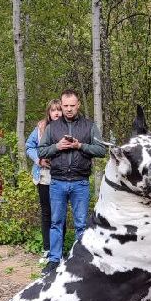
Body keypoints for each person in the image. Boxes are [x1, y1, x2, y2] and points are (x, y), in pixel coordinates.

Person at [37, 89, 106, 272]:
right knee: (56, 222)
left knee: (81, 224)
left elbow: (101, 150)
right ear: (62, 105)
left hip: (80, 182)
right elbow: (41, 151)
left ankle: (79, 260)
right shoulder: (52, 127)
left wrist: (80, 145)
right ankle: (54, 260)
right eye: (65, 106)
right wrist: (57, 146)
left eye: (72, 106)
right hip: (57, 181)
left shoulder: (89, 126)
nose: (68, 109)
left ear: (78, 105)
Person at [26, 99, 64, 259]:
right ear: (48, 112)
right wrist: (39, 160)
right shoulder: (41, 127)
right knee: (47, 212)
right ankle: (47, 249)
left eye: (59, 110)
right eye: (53, 110)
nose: (56, 113)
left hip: (62, 175)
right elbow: (29, 146)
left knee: (59, 214)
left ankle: (59, 252)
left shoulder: (68, 128)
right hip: (44, 175)